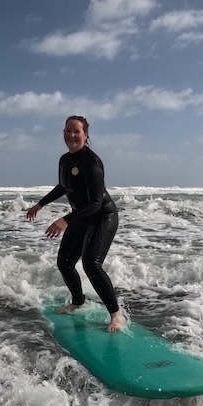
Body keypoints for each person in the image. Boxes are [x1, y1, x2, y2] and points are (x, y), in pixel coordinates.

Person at [26, 115, 126, 332]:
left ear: (85, 135)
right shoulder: (65, 160)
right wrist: (40, 204)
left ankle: (116, 314)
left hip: (102, 215)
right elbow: (63, 186)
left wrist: (65, 220)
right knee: (65, 262)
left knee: (91, 264)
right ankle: (78, 301)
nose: (71, 135)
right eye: (68, 130)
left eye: (76, 131)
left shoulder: (91, 162)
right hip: (81, 215)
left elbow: (96, 203)